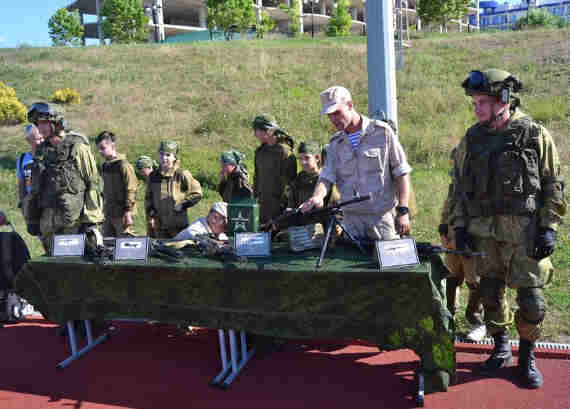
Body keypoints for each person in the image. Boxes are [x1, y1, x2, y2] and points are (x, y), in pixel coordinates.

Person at [453, 69, 566, 389]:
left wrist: (549, 227)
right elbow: (459, 186)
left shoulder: (533, 134)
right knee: (489, 294)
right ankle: (500, 346)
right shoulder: (472, 138)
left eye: (483, 102)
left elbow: (552, 184)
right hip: (485, 234)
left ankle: (527, 356)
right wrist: (459, 226)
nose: (477, 108)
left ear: (504, 100)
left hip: (525, 235)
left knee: (533, 302)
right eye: (474, 102)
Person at [300, 86, 412, 241]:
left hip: (382, 219)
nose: (333, 119)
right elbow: (326, 177)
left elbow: (402, 173)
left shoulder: (382, 132)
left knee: (387, 264)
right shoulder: (335, 144)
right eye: (329, 115)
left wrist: (403, 210)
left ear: (350, 105)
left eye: (337, 113)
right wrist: (318, 196)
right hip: (351, 222)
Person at [25, 102, 104, 254]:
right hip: (48, 227)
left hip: (74, 226)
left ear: (57, 122)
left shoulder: (77, 147)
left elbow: (93, 184)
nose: (40, 128)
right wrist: (32, 219)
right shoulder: (41, 152)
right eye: (38, 124)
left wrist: (91, 222)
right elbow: (35, 190)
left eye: (44, 123)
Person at [439, 147, 486, 342]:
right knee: (451, 278)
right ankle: (449, 318)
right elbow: (449, 205)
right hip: (452, 240)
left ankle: (478, 321)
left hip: (473, 240)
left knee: (475, 281)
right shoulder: (455, 183)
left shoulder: (482, 184)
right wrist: (443, 227)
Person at [145, 140, 202, 239]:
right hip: (159, 226)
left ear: (174, 157)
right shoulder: (153, 176)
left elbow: (197, 193)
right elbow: (148, 198)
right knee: (159, 252)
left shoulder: (182, 174)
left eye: (168, 155)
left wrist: (183, 204)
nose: (164, 158)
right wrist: (150, 216)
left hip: (178, 226)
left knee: (179, 251)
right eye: (161, 154)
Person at [252, 115, 297, 225]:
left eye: (257, 131)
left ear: (268, 130)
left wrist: (285, 205)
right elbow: (257, 177)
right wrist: (256, 198)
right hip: (262, 205)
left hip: (279, 207)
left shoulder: (284, 152)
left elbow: (290, 183)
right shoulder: (260, 152)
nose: (255, 134)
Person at [96, 131, 138, 237]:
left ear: (112, 146)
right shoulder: (105, 166)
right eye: (99, 149)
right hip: (109, 213)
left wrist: (128, 212)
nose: (100, 151)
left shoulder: (123, 165)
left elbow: (131, 189)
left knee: (124, 246)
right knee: (107, 246)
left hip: (123, 214)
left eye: (103, 148)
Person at [17, 124, 44, 218]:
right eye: (37, 139)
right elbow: (21, 184)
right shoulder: (22, 159)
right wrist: (23, 204)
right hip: (32, 205)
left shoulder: (49, 156)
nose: (41, 141)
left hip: (47, 203)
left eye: (42, 138)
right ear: (28, 140)